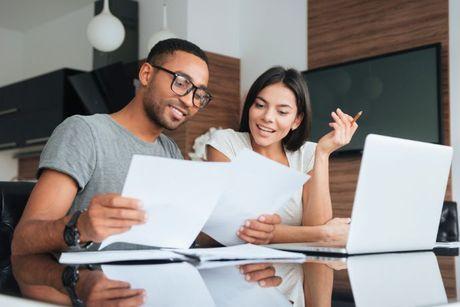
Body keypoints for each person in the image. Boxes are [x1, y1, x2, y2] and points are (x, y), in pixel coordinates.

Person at [11, 38, 280, 255]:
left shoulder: (170, 150)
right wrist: (81, 226)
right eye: (182, 83)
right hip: (86, 287)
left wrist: (243, 230)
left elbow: (180, 235)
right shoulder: (84, 132)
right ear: (147, 73)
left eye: (199, 94)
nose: (189, 101)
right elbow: (24, 239)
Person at [206, 66, 358, 245]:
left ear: (296, 120)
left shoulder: (308, 153)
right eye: (260, 105)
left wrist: (323, 153)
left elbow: (317, 226)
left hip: (295, 269)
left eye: (282, 112)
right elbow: (235, 228)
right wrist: (323, 234)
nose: (268, 117)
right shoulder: (225, 144)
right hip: (238, 268)